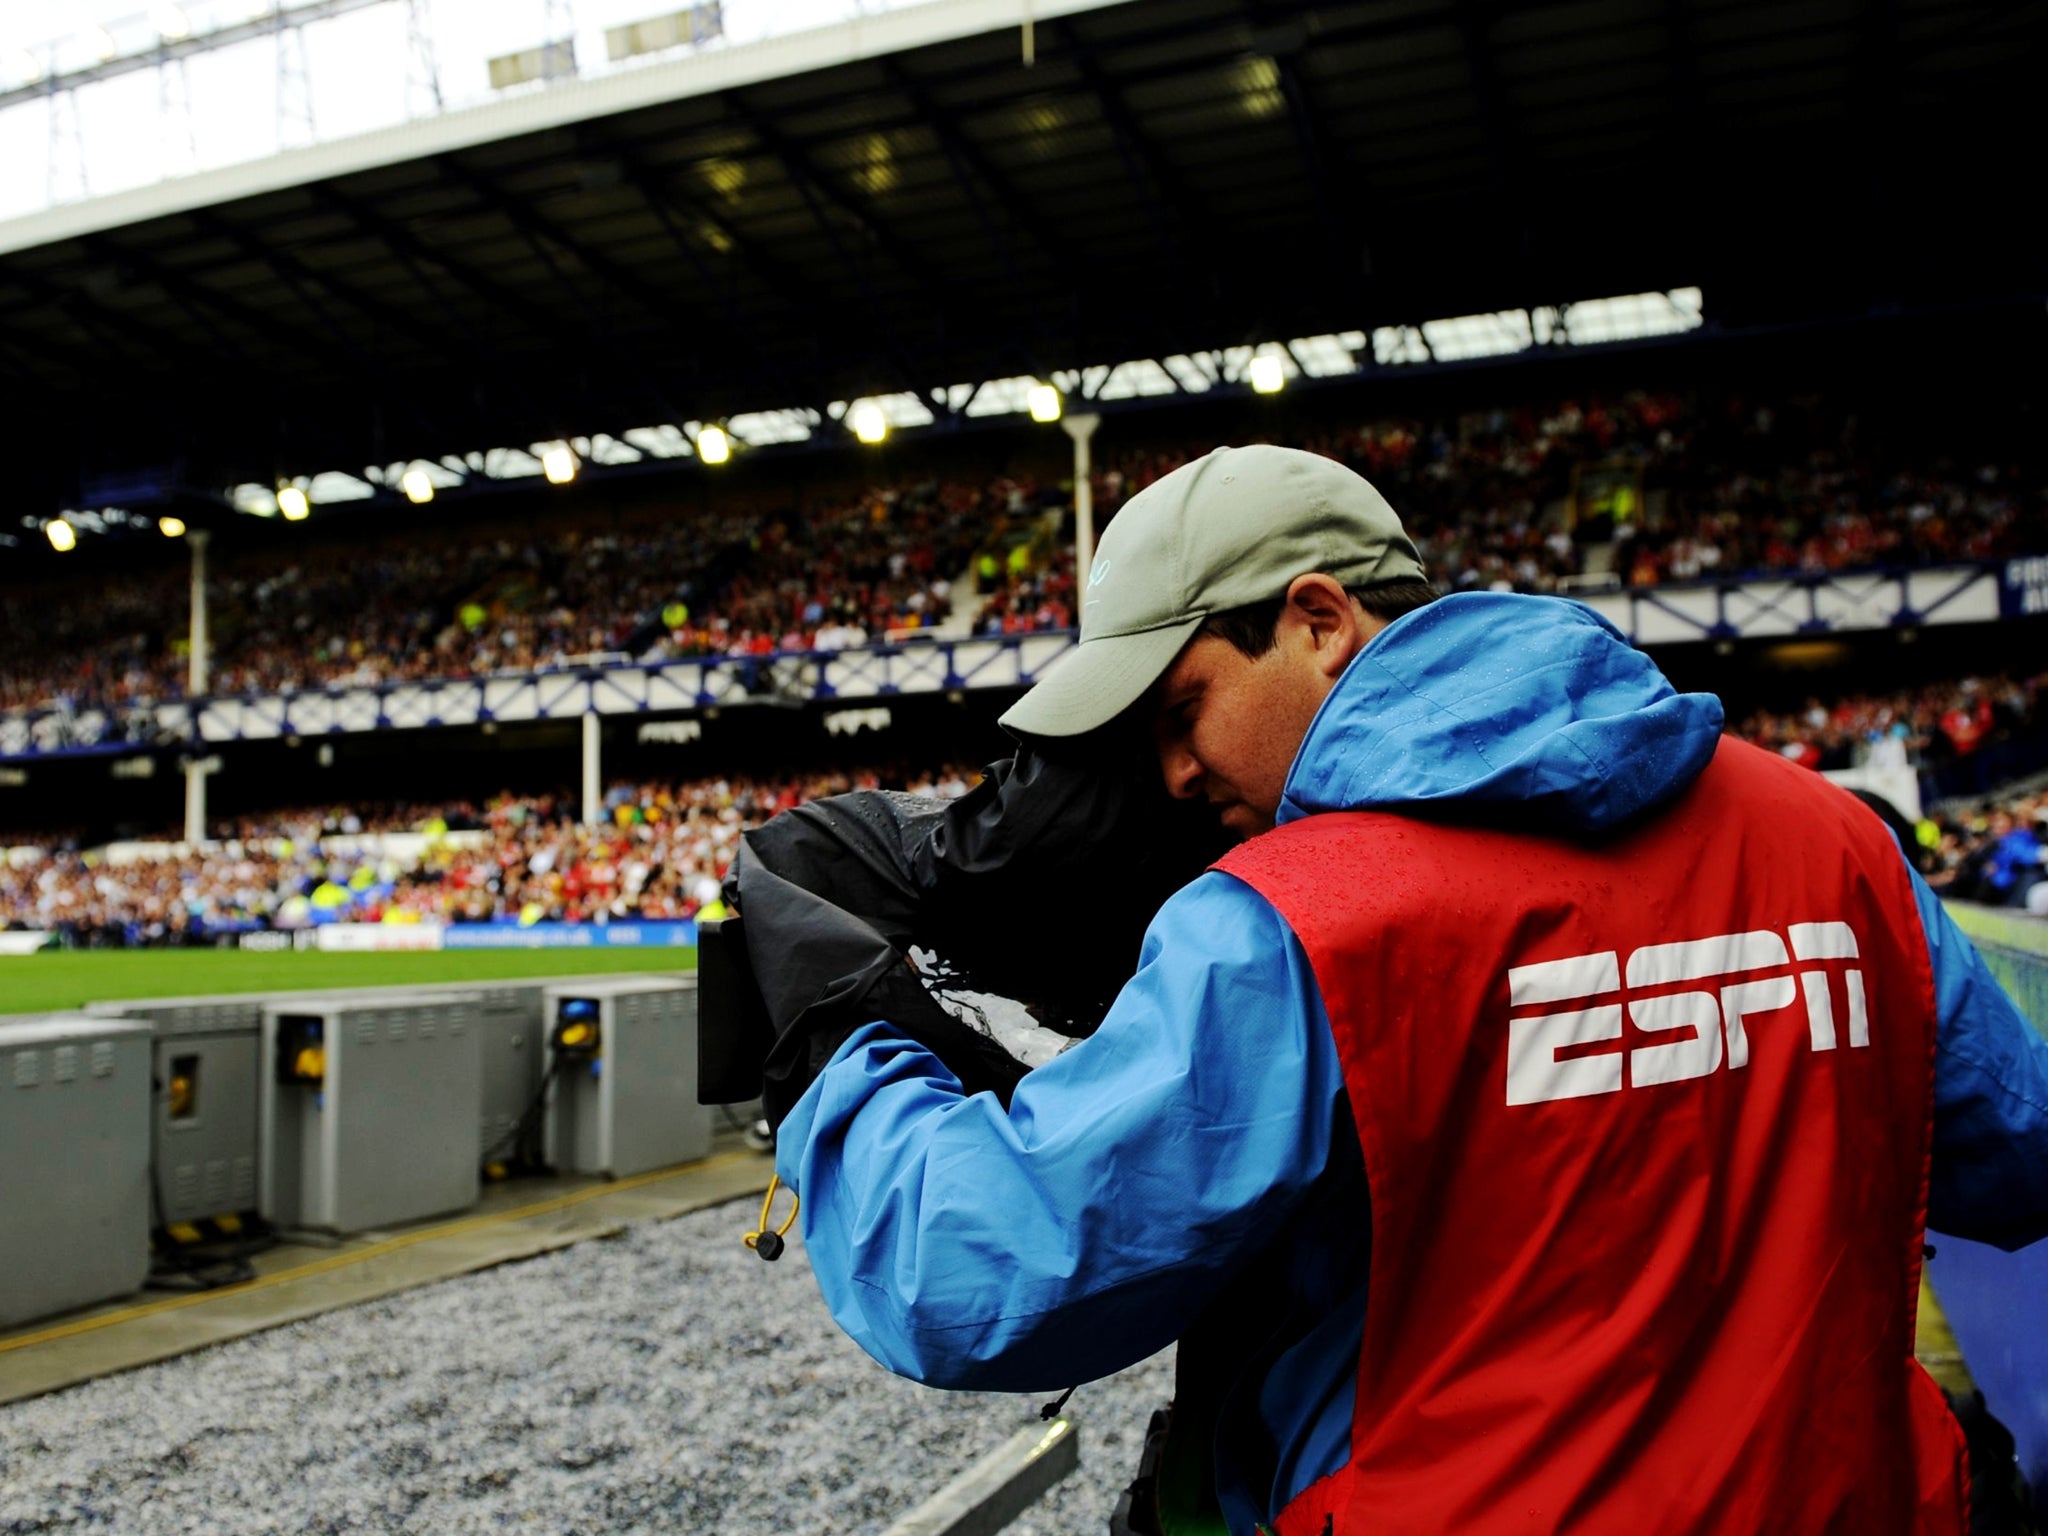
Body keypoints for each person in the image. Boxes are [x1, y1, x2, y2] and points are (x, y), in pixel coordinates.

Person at [774, 446, 2048, 1535]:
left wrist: (841, 1044)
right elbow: (2014, 1156)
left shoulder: (1292, 919)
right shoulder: (1830, 836)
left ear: (1319, 620)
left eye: (1180, 710)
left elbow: (977, 1278)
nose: (1168, 775)